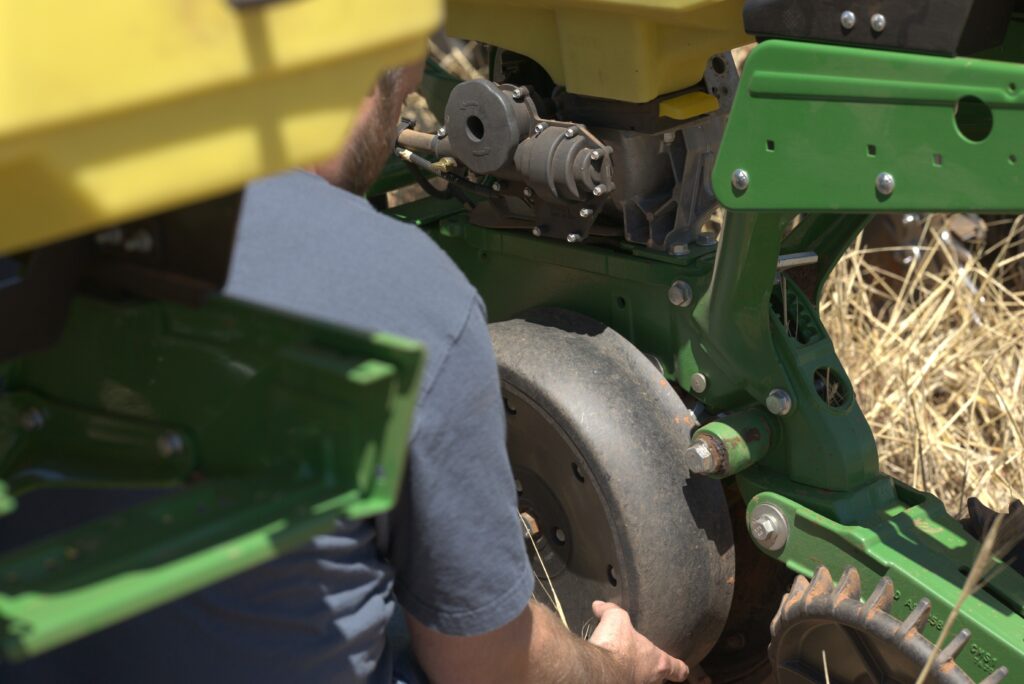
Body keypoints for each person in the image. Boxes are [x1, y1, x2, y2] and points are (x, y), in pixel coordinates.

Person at [0, 64, 689, 684]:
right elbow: (488, 668)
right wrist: (614, 669)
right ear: (360, 69)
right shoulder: (404, 295)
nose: (416, 88)